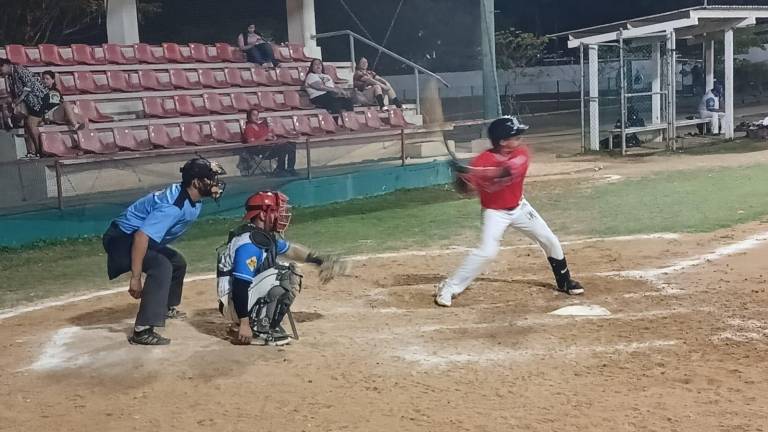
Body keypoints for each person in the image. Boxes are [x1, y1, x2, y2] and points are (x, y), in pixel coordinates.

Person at [435, 116, 584, 307]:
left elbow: (504, 172)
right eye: (515, 136)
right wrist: (462, 178)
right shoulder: (482, 161)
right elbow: (466, 191)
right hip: (494, 212)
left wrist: (473, 171)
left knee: (550, 240)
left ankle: (564, 281)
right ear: (502, 141)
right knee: (487, 252)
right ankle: (449, 287)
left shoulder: (520, 154)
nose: (520, 138)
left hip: (520, 207)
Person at [102, 157, 226, 345]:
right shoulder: (173, 207)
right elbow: (141, 237)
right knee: (161, 266)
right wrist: (135, 278)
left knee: (177, 262)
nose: (214, 183)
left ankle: (165, 307)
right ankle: (142, 330)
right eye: (209, 179)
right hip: (122, 239)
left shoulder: (190, 196)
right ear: (195, 182)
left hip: (134, 235)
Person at [217, 191, 347, 345]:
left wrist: (319, 260)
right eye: (275, 211)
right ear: (263, 215)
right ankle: (258, 329)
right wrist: (244, 324)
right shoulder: (249, 244)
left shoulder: (261, 235)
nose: (280, 215)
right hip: (234, 303)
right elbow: (239, 286)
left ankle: (257, 321)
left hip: (238, 300)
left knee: (286, 268)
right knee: (286, 274)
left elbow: (291, 250)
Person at [0, 58, 49, 158]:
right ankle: (33, 151)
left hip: (39, 99)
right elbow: (15, 92)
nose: (0, 73)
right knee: (26, 125)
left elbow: (29, 86)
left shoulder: (20, 70)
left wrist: (19, 100)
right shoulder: (9, 77)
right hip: (29, 102)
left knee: (30, 124)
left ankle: (41, 150)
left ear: (5, 65)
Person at [242, 109, 297, 177]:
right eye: (254, 115)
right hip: (259, 150)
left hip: (270, 146)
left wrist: (273, 138)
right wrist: (265, 138)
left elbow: (269, 135)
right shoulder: (249, 128)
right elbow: (251, 143)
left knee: (292, 144)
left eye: (257, 115)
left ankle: (290, 168)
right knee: (284, 147)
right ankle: (279, 169)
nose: (256, 117)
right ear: (249, 117)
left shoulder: (262, 126)